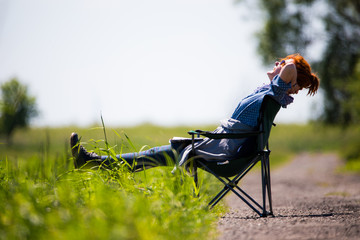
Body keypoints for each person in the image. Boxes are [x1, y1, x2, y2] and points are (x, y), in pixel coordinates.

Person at [71, 53, 319, 171]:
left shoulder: (276, 92)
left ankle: (97, 164)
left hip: (225, 149)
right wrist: (289, 72)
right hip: (223, 144)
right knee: (162, 153)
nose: (277, 64)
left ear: (291, 82)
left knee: (163, 153)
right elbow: (287, 71)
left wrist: (293, 66)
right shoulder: (269, 91)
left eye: (281, 62)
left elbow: (288, 69)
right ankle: (99, 164)